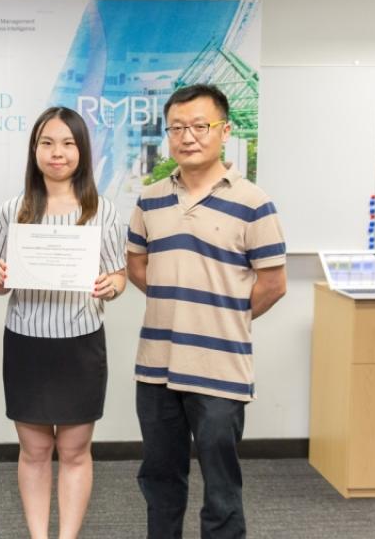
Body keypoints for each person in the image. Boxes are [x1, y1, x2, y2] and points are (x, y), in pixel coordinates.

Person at [126, 84, 287, 539]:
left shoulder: (254, 202)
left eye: (200, 126)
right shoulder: (150, 198)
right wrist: (177, 307)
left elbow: (273, 284)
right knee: (159, 478)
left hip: (220, 368)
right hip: (156, 367)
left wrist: (224, 316)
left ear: (224, 130)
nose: (187, 136)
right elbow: (136, 265)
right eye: (177, 127)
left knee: (220, 484)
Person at [0, 106, 126, 539]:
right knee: (34, 450)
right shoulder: (12, 211)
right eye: (47, 143)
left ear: (82, 151)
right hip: (27, 344)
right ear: (34, 150)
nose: (57, 153)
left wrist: (112, 286)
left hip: (80, 345)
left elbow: (119, 274)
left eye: (68, 143)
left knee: (74, 450)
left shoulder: (103, 211)